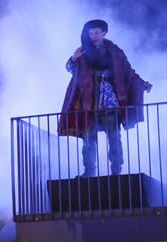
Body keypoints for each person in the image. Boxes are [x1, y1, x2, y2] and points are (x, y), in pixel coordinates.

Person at [58, 19, 152, 176]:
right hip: (88, 100)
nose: (93, 36)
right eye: (90, 33)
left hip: (109, 99)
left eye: (96, 32)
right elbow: (70, 68)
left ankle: (116, 170)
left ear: (103, 33)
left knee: (114, 135)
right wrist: (75, 58)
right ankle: (89, 171)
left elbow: (127, 71)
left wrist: (142, 83)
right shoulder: (83, 50)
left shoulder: (114, 51)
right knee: (89, 137)